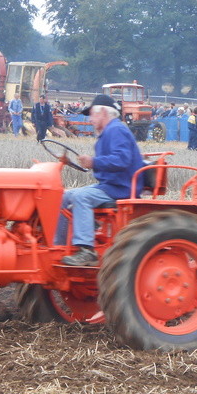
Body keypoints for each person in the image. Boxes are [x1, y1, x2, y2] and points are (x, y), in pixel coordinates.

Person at [54, 94, 144, 266]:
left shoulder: (117, 129)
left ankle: (86, 251)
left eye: (92, 114)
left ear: (103, 112)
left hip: (120, 188)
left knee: (82, 197)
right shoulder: (108, 133)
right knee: (63, 196)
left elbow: (122, 160)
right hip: (108, 186)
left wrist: (94, 162)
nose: (90, 119)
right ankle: (58, 246)